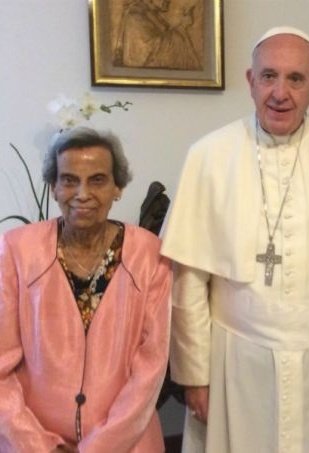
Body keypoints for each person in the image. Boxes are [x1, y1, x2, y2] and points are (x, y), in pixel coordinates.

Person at [161, 26, 309, 453]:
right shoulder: (208, 155)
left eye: (296, 79)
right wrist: (195, 374)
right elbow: (190, 278)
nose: (280, 93)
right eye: (269, 76)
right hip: (236, 359)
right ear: (251, 81)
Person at [0, 127, 172, 452]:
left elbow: (151, 368)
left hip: (127, 443)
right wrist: (38, 445)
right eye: (69, 180)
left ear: (117, 187)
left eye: (97, 180)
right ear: (53, 187)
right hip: (32, 442)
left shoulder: (150, 255)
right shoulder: (16, 251)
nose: (82, 193)